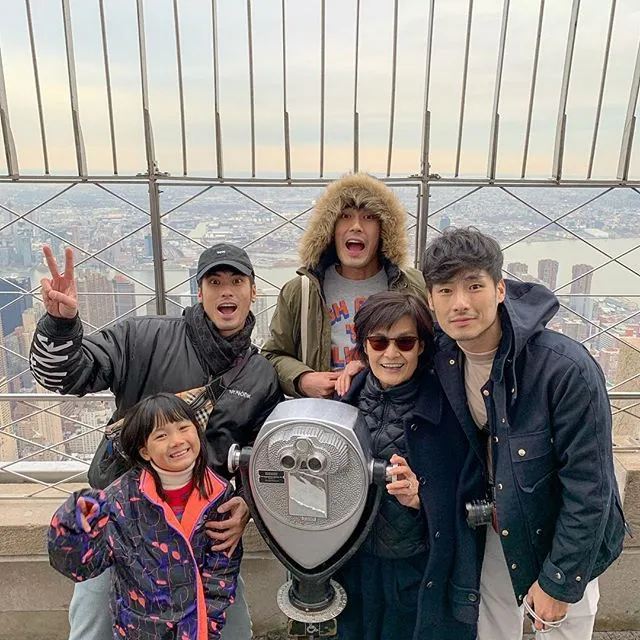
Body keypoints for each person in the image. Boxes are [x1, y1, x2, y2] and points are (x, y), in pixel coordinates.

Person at [31, 242, 282, 640]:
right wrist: (60, 326)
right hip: (123, 521)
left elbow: (263, 457)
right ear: (199, 292)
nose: (227, 291)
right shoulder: (144, 337)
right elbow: (67, 376)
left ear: (254, 291)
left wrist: (247, 504)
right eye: (215, 282)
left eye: (237, 281)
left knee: (230, 630)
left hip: (201, 529)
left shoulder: (259, 374)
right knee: (95, 627)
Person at [421, 227, 628, 639]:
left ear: (500, 289)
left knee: (563, 629)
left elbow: (590, 487)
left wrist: (560, 580)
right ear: (430, 300)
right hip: (494, 530)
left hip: (563, 537)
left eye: (474, 286)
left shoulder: (563, 369)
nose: (459, 303)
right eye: (445, 290)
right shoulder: (442, 358)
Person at [336, 291, 484, 640]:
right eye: (378, 341)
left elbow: (471, 494)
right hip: (353, 565)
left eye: (404, 342)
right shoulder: (343, 402)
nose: (391, 354)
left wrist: (421, 498)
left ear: (421, 347)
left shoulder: (449, 411)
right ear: (363, 346)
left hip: (417, 571)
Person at [49, 393, 241, 640]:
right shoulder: (119, 501)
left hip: (198, 629)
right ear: (144, 451)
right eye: (161, 436)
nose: (177, 441)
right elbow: (81, 566)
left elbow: (221, 569)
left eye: (184, 428)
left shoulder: (219, 494)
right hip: (139, 630)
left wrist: (209, 625)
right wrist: (72, 525)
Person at [262, 172, 426, 398]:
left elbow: (434, 349)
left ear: (384, 230)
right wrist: (302, 379)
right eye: (345, 216)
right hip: (327, 409)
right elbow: (273, 354)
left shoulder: (411, 285)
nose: (356, 226)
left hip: (394, 409)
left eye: (369, 217)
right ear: (330, 228)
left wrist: (372, 367)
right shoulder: (302, 290)